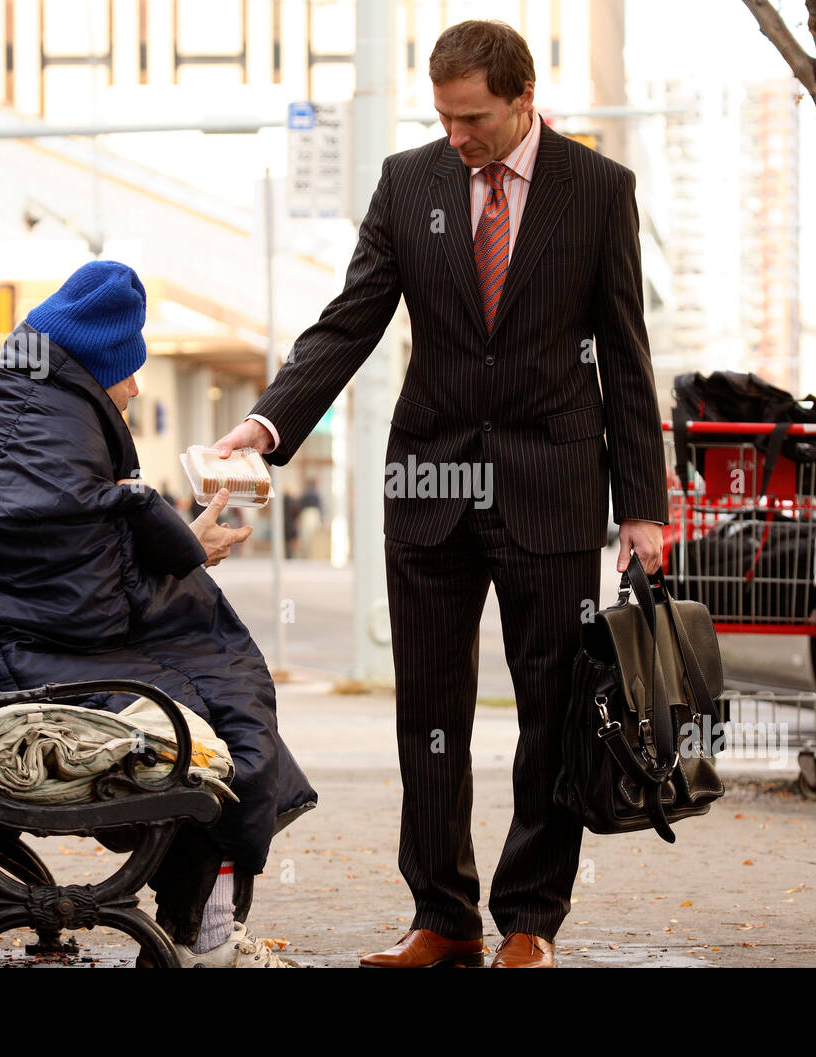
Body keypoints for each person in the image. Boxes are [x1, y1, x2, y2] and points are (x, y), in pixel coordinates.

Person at [214, 20, 668, 968]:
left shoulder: (598, 191)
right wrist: (265, 427)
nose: (457, 136)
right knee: (429, 710)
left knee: (551, 707)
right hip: (430, 480)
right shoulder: (409, 181)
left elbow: (626, 357)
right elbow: (349, 325)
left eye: (473, 119)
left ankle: (529, 921)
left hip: (551, 482)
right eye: (444, 117)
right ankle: (443, 914)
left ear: (522, 101)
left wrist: (644, 509)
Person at [0, 260, 316, 968]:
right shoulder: (57, 434)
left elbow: (63, 562)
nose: (136, 386)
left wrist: (174, 543)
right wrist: (186, 553)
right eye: (127, 371)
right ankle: (204, 936)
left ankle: (201, 931)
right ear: (94, 368)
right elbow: (90, 610)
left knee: (217, 705)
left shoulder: (5, 415)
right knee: (218, 726)